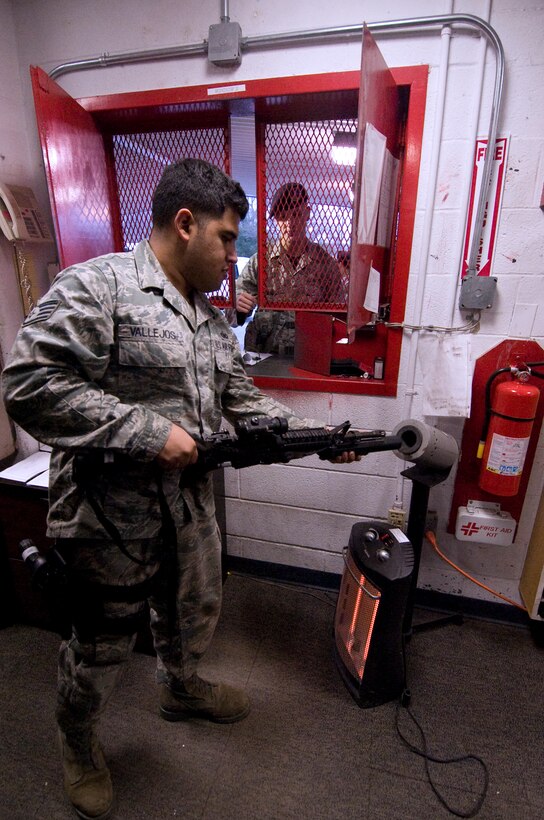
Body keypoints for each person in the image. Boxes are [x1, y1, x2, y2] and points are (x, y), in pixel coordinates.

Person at [1, 159, 358, 820]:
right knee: (100, 647)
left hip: (188, 512)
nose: (234, 255)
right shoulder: (99, 288)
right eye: (226, 238)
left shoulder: (212, 325)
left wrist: (320, 437)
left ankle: (182, 689)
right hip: (109, 522)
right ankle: (78, 743)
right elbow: (27, 386)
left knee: (191, 613)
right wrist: (144, 431)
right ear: (185, 224)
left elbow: (252, 410)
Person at [233, 182, 345, 356]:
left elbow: (338, 319)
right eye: (283, 216)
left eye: (297, 214)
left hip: (308, 359)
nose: (290, 223)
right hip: (263, 357)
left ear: (307, 214)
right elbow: (233, 311)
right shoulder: (261, 262)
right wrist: (239, 306)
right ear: (275, 221)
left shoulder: (326, 266)